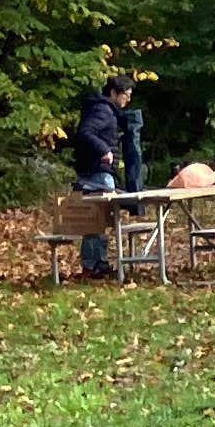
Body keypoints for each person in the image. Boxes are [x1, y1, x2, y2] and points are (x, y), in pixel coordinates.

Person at [72, 76, 132, 280]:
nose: (127, 100)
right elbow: (85, 132)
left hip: (101, 172)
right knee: (96, 221)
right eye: (125, 95)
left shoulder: (106, 111)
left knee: (101, 221)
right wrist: (104, 150)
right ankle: (93, 266)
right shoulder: (103, 110)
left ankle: (100, 263)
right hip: (97, 172)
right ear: (114, 93)